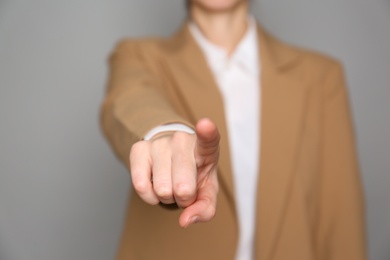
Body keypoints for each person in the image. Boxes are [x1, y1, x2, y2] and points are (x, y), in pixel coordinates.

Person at [100, 0, 366, 259]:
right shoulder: (138, 55)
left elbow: (340, 218)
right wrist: (163, 133)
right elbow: (130, 100)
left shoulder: (321, 76)